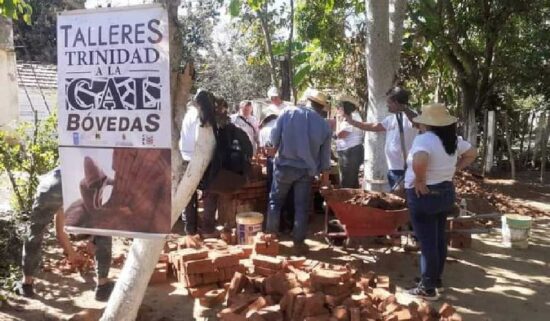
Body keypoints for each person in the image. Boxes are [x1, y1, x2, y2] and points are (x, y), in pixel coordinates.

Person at [404, 103, 477, 300]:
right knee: (438, 238)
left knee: (427, 242)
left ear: (427, 123)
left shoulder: (424, 139)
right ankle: (435, 280)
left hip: (424, 194)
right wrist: (455, 168)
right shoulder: (452, 140)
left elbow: (419, 159)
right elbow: (473, 153)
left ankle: (427, 288)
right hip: (445, 192)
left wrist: (420, 180)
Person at [14, 168, 114, 301]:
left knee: (35, 232)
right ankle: (103, 285)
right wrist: (91, 241)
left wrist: (72, 253)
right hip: (82, 183)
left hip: (50, 187)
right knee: (103, 229)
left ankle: (27, 284)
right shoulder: (86, 186)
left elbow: (60, 232)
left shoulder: (55, 181)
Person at [266, 89, 332, 253]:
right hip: (305, 172)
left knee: (275, 202)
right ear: (321, 106)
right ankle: (298, 243)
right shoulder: (324, 125)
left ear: (307, 101)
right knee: (301, 207)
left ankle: (270, 239)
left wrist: (273, 149)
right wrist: (325, 182)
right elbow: (325, 161)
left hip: (284, 167)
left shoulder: (287, 112)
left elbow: (272, 142)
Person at [345, 87, 417, 189]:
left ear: (396, 103)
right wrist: (353, 122)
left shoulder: (412, 117)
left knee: (403, 199)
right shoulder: (391, 119)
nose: (387, 105)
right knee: (399, 199)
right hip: (393, 169)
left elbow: (418, 123)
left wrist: (404, 108)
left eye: (389, 102)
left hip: (406, 169)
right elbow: (373, 126)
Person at [179, 90, 220, 245]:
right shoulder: (201, 115)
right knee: (210, 193)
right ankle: (208, 229)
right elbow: (200, 139)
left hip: (186, 158)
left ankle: (190, 230)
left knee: (189, 196)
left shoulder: (189, 113)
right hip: (200, 159)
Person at [334, 95, 364, 188]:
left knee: (348, 181)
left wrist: (337, 121)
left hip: (351, 152)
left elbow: (340, 134)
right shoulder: (350, 117)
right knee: (351, 180)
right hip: (349, 151)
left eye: (341, 106)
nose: (339, 109)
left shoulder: (352, 117)